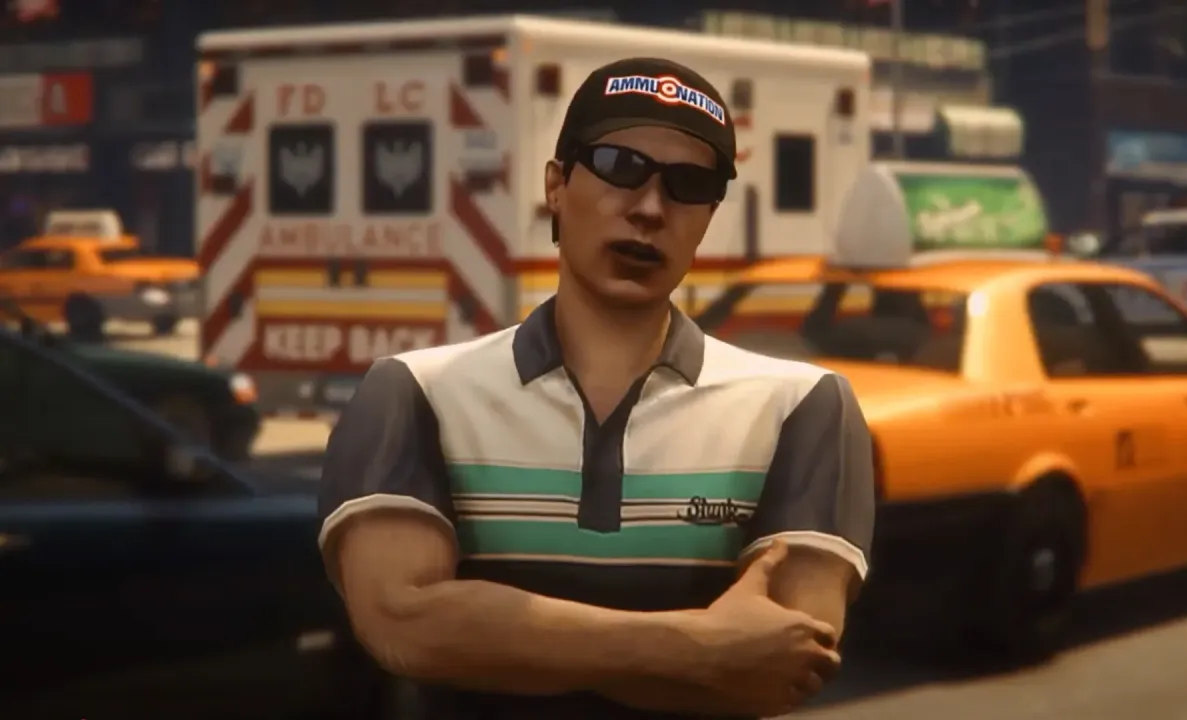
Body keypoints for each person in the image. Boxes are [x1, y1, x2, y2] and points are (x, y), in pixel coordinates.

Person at [318, 56, 876, 719]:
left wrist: (495, 638)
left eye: (689, 185)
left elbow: (779, 670)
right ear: (556, 186)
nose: (649, 208)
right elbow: (403, 626)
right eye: (618, 166)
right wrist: (697, 647)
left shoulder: (802, 406)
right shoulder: (415, 391)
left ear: (709, 215)